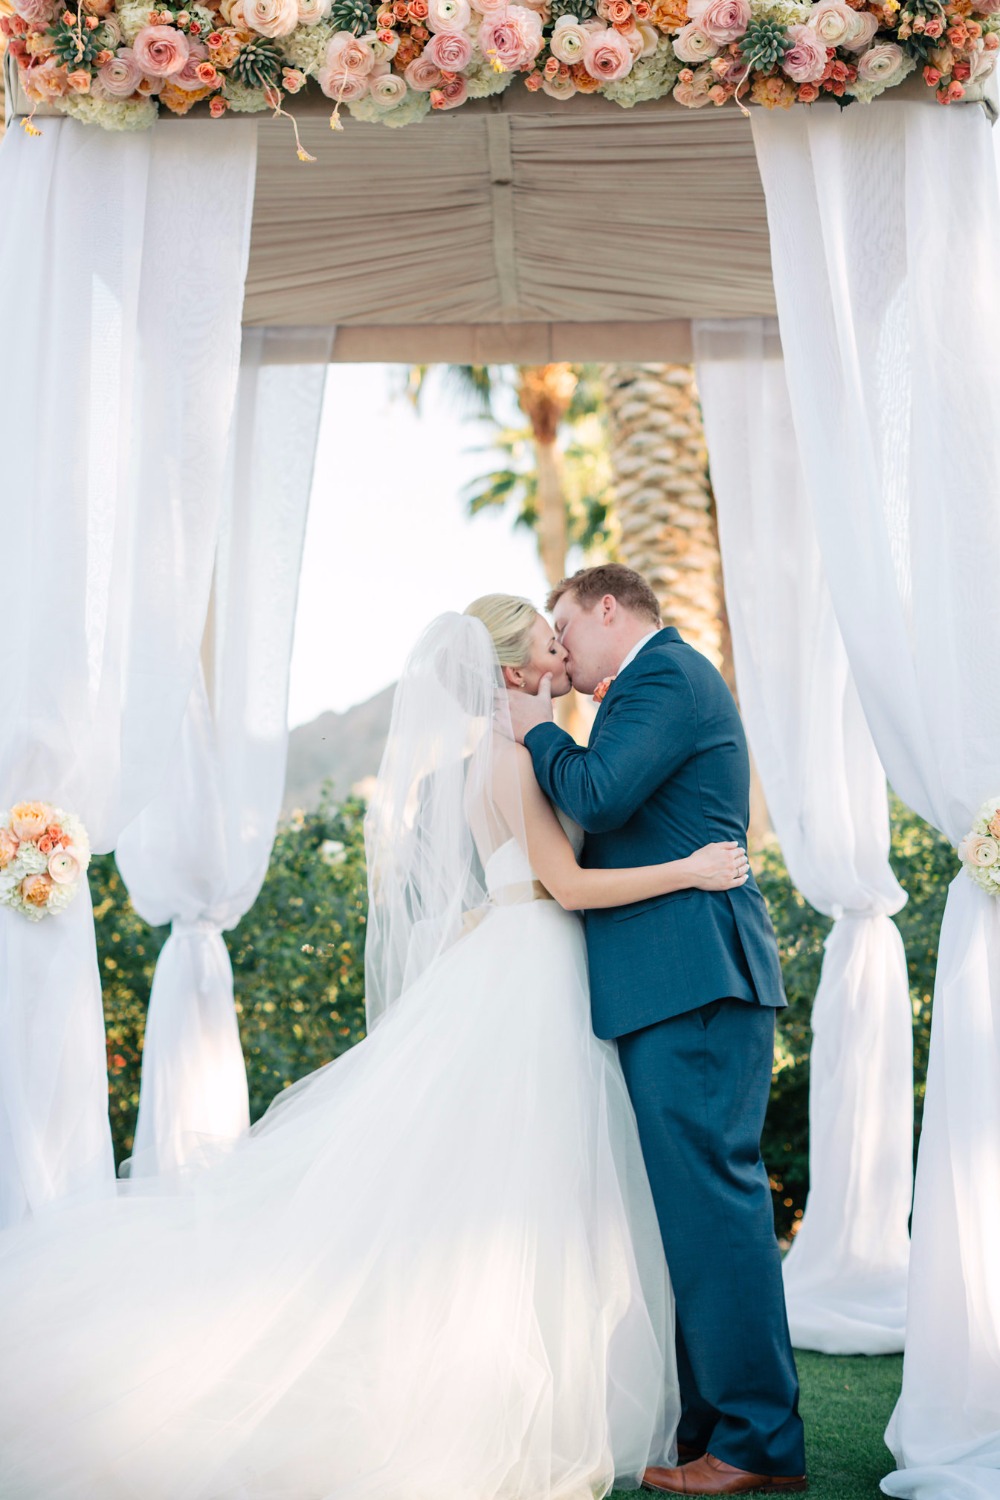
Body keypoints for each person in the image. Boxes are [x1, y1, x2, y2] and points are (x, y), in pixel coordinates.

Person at [0, 596, 750, 1500]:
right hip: (545, 973)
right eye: (549, 642)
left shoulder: (488, 758)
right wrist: (695, 868)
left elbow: (519, 885)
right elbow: (569, 885)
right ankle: (528, 1411)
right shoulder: (519, 759)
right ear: (514, 672)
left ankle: (556, 1399)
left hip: (520, 965)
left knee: (522, 1197)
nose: (562, 651)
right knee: (538, 1196)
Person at [507, 565, 808, 1498]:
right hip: (670, 983)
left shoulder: (666, 676)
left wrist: (532, 730)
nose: (560, 653)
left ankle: (756, 1441)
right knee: (693, 1213)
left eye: (565, 626)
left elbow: (596, 798)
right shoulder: (640, 689)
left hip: (695, 981)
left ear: (607, 608)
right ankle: (713, 1428)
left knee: (715, 1207)